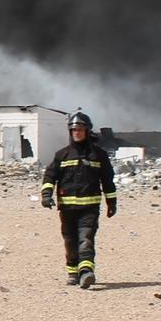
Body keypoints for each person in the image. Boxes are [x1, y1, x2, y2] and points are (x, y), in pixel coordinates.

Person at [41, 110, 117, 289]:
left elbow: (107, 180)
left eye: (80, 129)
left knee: (86, 239)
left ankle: (86, 272)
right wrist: (46, 195)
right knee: (70, 241)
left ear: (87, 131)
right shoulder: (62, 155)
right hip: (67, 208)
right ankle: (73, 272)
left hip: (89, 207)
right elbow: (50, 176)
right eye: (74, 129)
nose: (77, 132)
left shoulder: (99, 155)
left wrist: (111, 202)